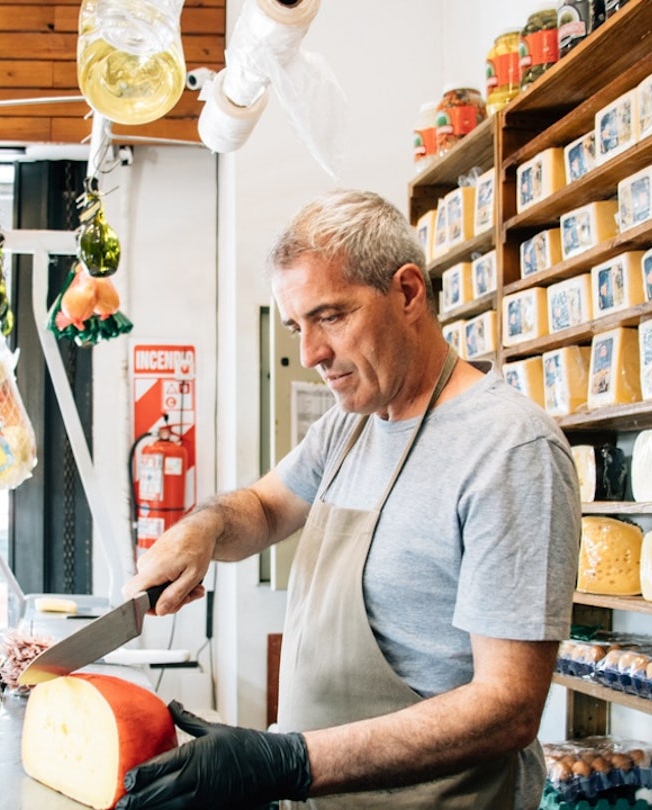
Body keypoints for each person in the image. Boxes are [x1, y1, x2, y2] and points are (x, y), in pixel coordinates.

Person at [116, 189, 580, 809]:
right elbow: (265, 507)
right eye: (296, 327)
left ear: (409, 292)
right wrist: (202, 528)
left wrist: (287, 760)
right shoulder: (351, 423)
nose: (311, 354)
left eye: (330, 316)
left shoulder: (508, 449)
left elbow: (509, 707)